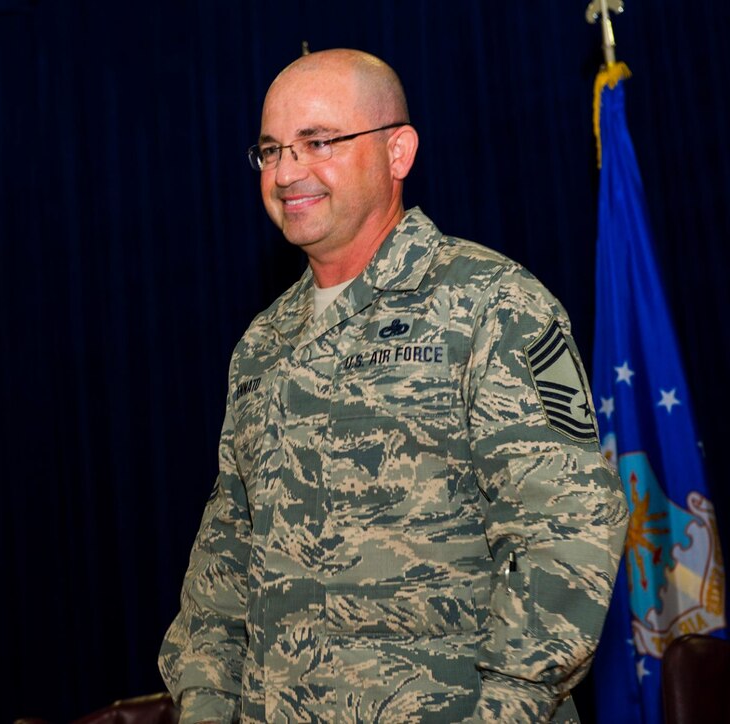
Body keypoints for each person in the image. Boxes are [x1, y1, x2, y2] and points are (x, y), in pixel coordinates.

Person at [158, 49, 629, 723]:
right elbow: (225, 555)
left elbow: (569, 531)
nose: (288, 172)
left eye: (318, 142)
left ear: (398, 151)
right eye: (271, 151)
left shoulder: (491, 304)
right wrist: (206, 705)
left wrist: (502, 710)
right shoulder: (264, 346)